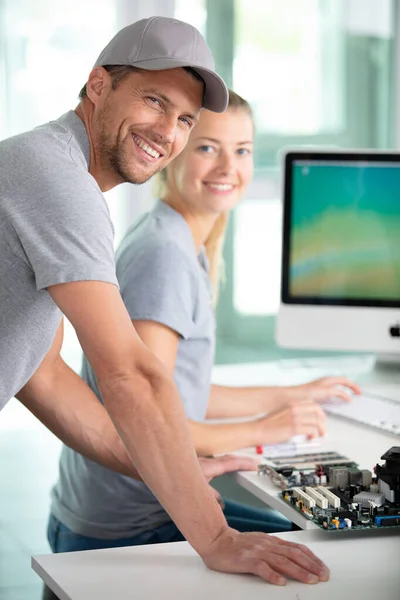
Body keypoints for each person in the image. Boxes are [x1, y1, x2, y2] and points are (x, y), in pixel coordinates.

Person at [0, 16, 331, 587]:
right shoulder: (54, 177)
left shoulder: (53, 175)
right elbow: (131, 375)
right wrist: (217, 537)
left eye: (184, 119)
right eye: (155, 101)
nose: (167, 132)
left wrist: (175, 471)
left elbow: (45, 376)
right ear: (98, 84)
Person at [46, 89, 360, 558]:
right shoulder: (165, 257)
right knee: (325, 550)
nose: (227, 168)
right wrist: (266, 428)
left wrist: (287, 399)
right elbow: (151, 414)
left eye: (242, 151)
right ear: (174, 151)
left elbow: (179, 391)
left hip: (105, 512)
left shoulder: (171, 235)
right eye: (208, 148)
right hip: (124, 529)